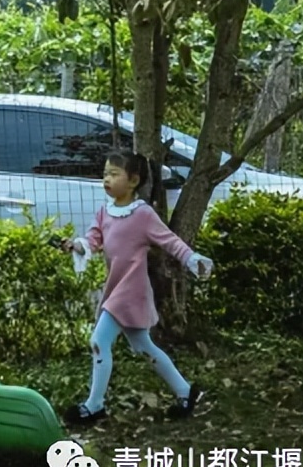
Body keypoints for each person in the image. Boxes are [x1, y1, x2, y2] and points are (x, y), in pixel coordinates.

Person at [61, 150, 214, 425]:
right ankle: (186, 392)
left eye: (114, 174)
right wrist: (78, 245)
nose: (107, 179)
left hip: (130, 291)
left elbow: (169, 241)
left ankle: (94, 405)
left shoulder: (143, 214)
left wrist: (192, 258)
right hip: (117, 288)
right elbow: (93, 239)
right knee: (145, 347)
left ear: (133, 181)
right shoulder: (104, 211)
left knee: (98, 342)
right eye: (105, 173)